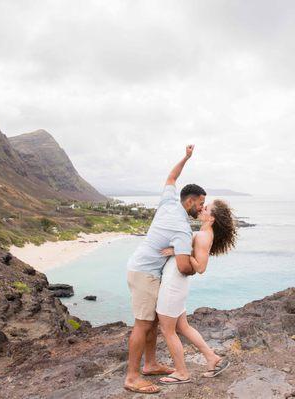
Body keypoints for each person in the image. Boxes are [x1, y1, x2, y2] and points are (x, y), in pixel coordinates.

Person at [124, 145, 205, 394]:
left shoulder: (169, 202)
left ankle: (150, 364)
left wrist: (186, 158)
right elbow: (183, 267)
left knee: (153, 321)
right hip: (145, 273)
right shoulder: (182, 228)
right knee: (142, 324)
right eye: (200, 204)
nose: (202, 208)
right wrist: (197, 263)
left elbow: (172, 177)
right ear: (189, 202)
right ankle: (132, 377)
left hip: (141, 268)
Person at [155, 198, 237, 385]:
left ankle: (182, 373)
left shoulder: (202, 236)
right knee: (182, 327)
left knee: (168, 330)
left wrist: (179, 252)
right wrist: (180, 251)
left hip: (174, 283)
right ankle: (212, 358)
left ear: (212, 218)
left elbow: (200, 267)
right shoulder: (203, 233)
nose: (202, 209)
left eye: (206, 208)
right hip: (178, 283)